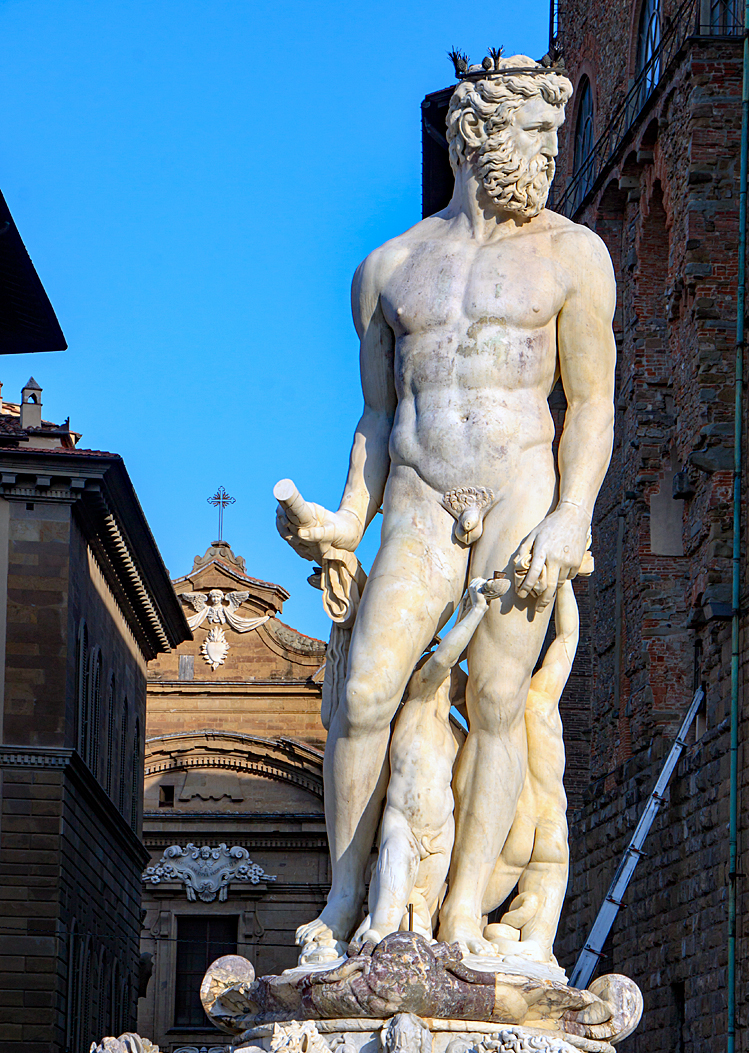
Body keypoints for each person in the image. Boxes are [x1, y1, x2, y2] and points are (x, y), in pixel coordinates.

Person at [277, 53, 616, 958]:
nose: (548, 156)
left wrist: (572, 513)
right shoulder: (386, 269)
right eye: (534, 135)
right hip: (422, 499)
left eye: (555, 138)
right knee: (366, 692)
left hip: (519, 494)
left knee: (500, 697)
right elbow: (379, 415)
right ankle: (346, 898)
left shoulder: (575, 256)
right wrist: (349, 518)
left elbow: (592, 404)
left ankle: (465, 908)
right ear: (476, 134)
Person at [356, 577, 506, 944]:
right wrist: (475, 612)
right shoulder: (418, 701)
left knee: (424, 924)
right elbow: (444, 658)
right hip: (403, 828)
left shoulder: (458, 735)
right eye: (455, 677)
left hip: (441, 833)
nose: (456, 679)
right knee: (386, 922)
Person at [481, 571, 586, 968]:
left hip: (517, 825)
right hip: (551, 823)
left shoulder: (490, 703)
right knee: (537, 942)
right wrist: (564, 581)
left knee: (475, 909)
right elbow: (567, 638)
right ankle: (536, 946)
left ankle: (474, 929)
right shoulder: (543, 698)